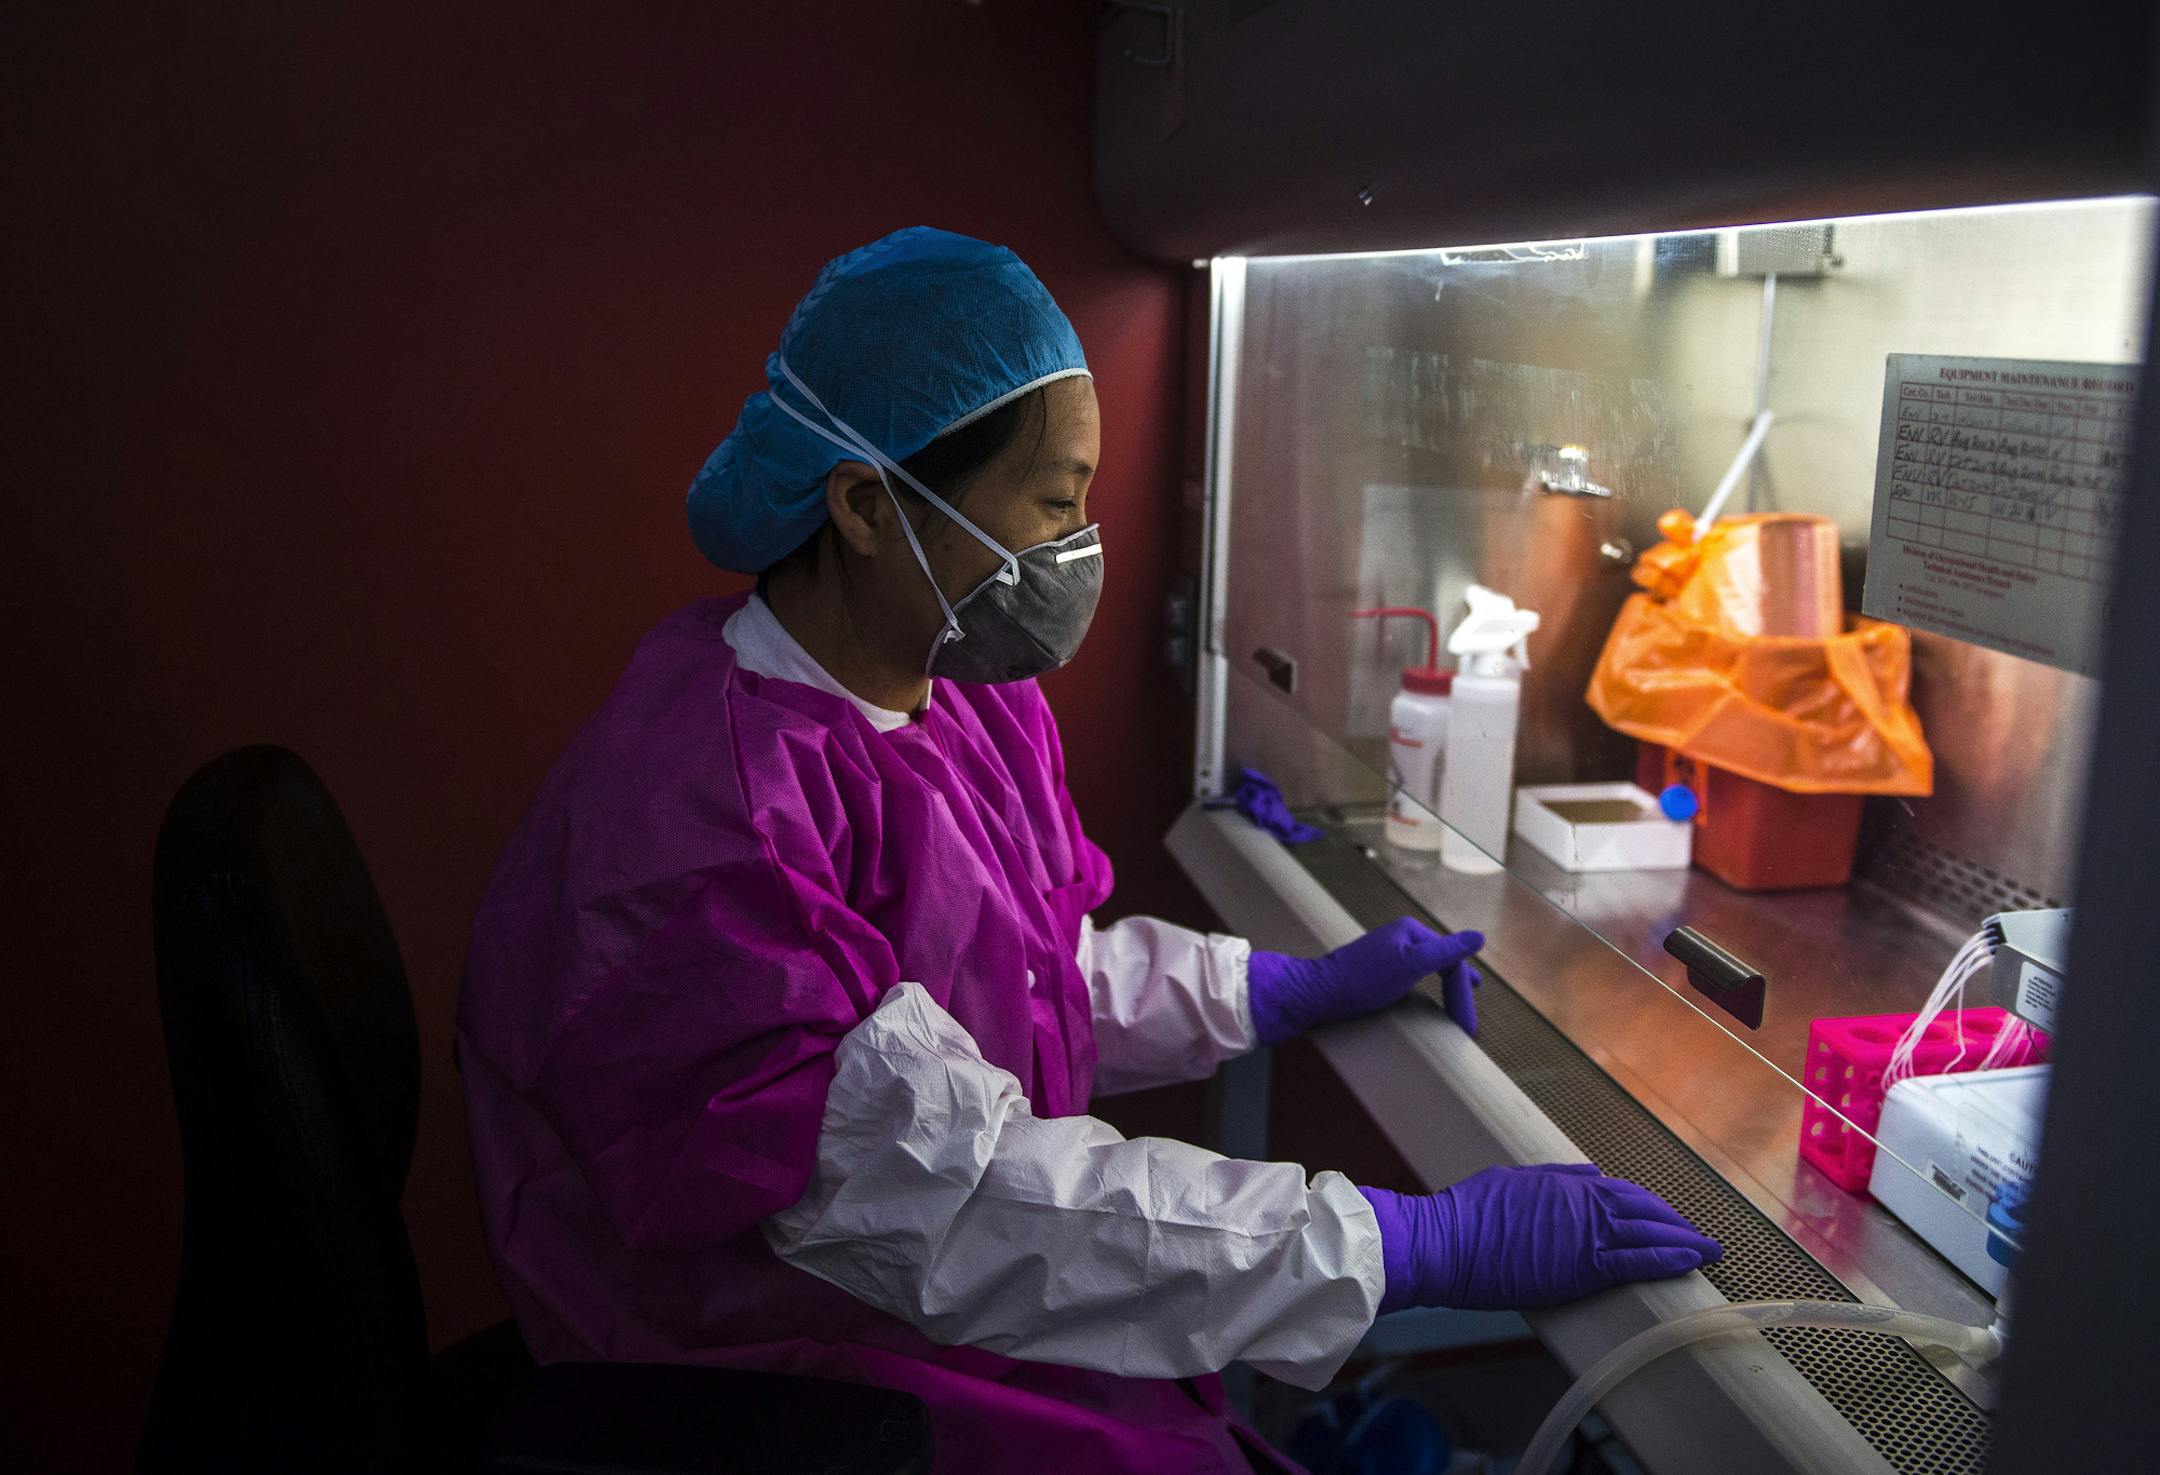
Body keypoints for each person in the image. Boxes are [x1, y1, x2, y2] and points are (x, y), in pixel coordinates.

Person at [457, 227, 1720, 1474]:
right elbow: (946, 1198)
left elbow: (1003, 976)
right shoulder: (700, 837)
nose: (1077, 551)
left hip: (920, 1269)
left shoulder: (941, 694)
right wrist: (1393, 1244)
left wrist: (1257, 988)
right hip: (768, 1358)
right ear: (863, 503)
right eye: (1055, 503)